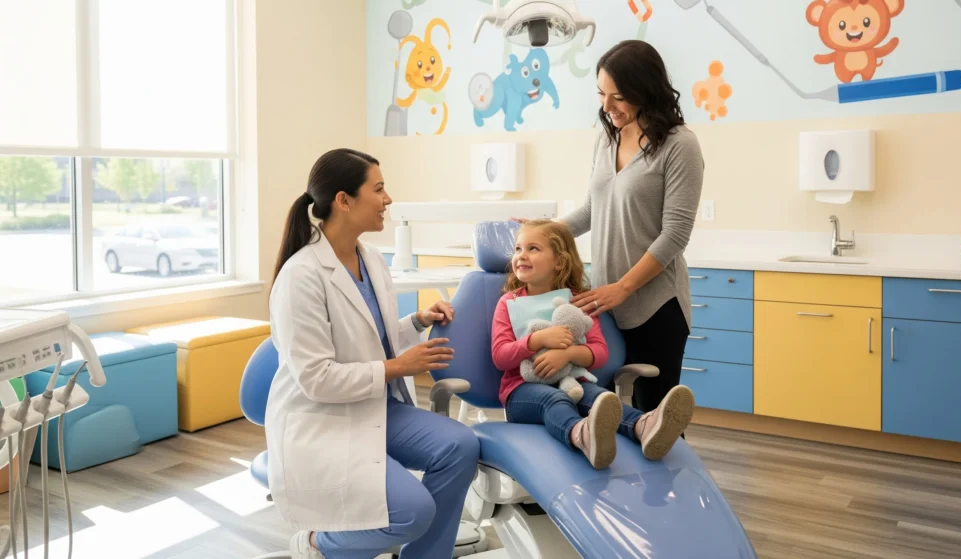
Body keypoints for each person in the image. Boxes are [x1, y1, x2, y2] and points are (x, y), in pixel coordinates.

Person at [266, 148, 480, 559]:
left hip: (376, 406)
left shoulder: (370, 259)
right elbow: (317, 378)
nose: (388, 199)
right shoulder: (301, 277)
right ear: (344, 201)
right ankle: (318, 544)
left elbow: (367, 340)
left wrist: (415, 322)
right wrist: (398, 366)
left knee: (461, 445)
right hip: (323, 421)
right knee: (412, 512)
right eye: (378, 189)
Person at [562, 39, 705, 414]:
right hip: (606, 305)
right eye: (601, 94)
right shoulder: (606, 140)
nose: (606, 106)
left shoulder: (679, 145)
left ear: (646, 90)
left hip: (654, 307)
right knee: (599, 414)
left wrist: (623, 288)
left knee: (654, 421)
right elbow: (594, 209)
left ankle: (671, 476)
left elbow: (675, 233)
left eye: (618, 96)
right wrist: (544, 232)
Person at [491, 219, 694, 469]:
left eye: (533, 248)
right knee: (555, 400)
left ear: (559, 261)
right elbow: (500, 356)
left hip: (573, 382)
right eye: (518, 249)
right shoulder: (508, 303)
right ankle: (581, 435)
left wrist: (568, 355)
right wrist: (537, 340)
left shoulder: (577, 301)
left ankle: (644, 427)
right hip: (521, 392)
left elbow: (599, 353)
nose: (522, 255)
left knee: (601, 399)